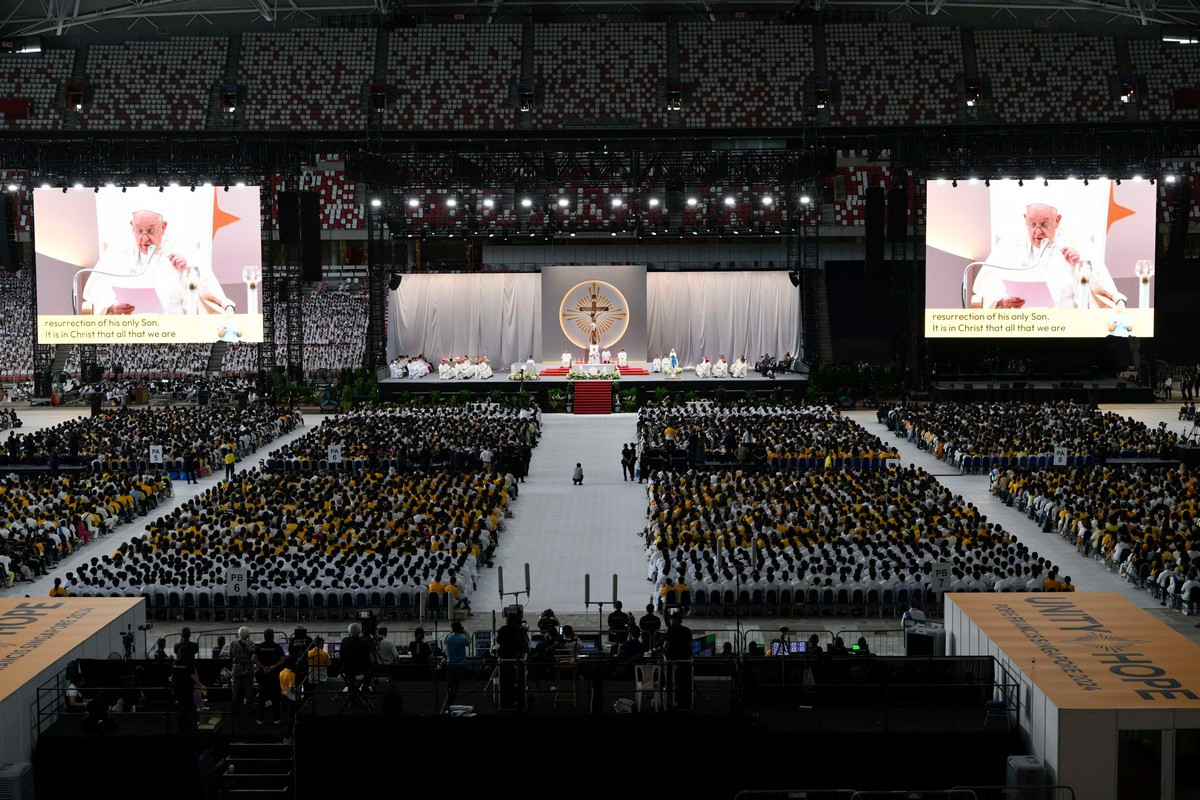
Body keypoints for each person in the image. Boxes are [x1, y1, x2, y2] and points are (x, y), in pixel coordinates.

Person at [971, 201, 1126, 310]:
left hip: (1066, 334)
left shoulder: (1078, 244)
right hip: (1019, 331)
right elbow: (984, 291)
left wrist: (1077, 267)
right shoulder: (1010, 245)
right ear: (1025, 219)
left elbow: (1101, 297)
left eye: (1044, 224)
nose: (1037, 232)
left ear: (1057, 220)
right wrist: (1001, 300)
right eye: (1032, 224)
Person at [82, 209, 235, 315]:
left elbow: (210, 295)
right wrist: (111, 305)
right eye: (139, 230)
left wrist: (186, 271)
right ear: (131, 226)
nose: (144, 238)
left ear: (163, 227)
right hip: (129, 333)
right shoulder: (118, 251)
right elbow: (95, 293)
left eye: (150, 230)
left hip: (175, 334)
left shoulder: (184, 249)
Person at [252, 628, 285, 725]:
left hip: (263, 675)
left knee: (262, 698)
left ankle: (260, 719)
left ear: (264, 636)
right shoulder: (277, 647)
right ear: (273, 636)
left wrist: (263, 667)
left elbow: (253, 659)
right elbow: (283, 660)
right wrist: (273, 667)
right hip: (274, 676)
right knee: (276, 698)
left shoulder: (259, 647)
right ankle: (276, 719)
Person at [229, 627, 255, 717]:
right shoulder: (251, 643)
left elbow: (231, 655)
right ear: (247, 635)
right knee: (249, 691)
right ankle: (249, 709)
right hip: (248, 670)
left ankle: (234, 708)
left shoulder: (233, 643)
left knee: (235, 691)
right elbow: (254, 656)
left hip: (236, 670)